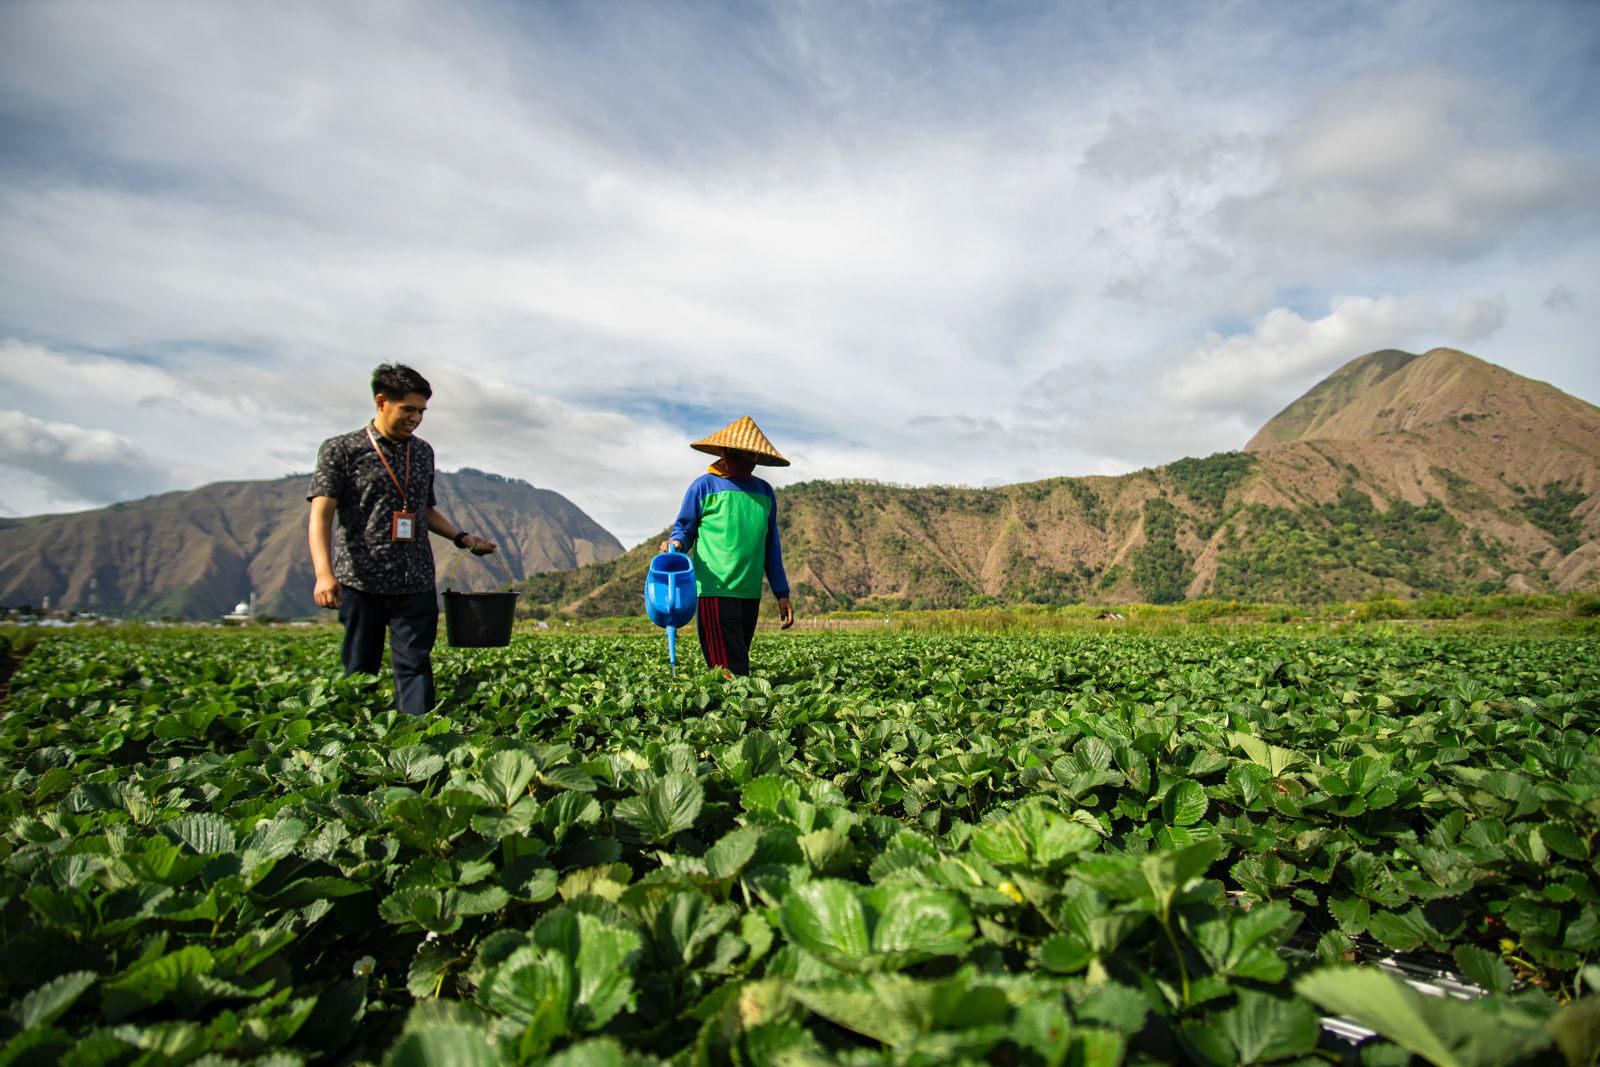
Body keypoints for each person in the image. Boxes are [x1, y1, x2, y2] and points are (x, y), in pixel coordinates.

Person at [307, 363, 498, 715]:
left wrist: (463, 538)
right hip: (362, 579)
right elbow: (322, 512)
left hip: (415, 578)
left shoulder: (422, 452)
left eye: (421, 411)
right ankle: (354, 742)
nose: (416, 418)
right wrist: (324, 572)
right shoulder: (342, 450)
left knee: (415, 666)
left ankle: (418, 739)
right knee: (360, 668)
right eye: (408, 409)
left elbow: (424, 511)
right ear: (381, 402)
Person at [660, 416, 794, 676]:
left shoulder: (764, 492)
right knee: (728, 668)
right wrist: (675, 543)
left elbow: (770, 546)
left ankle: (740, 710)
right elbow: (685, 529)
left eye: (751, 458)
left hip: (749, 592)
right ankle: (740, 712)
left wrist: (782, 592)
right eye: (740, 457)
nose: (747, 464)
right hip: (716, 590)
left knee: (738, 657)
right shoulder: (704, 486)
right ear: (725, 454)